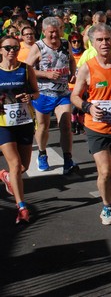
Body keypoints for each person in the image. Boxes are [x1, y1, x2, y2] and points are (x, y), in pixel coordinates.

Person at [71, 24, 111, 225]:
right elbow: (74, 96)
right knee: (105, 172)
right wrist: (87, 107)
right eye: (100, 40)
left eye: (107, 39)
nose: (105, 43)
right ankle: (107, 208)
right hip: (96, 127)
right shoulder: (87, 68)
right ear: (92, 43)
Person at [25, 17, 78, 174]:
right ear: (43, 32)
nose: (54, 35)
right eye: (51, 33)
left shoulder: (65, 43)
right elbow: (27, 69)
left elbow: (71, 60)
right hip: (43, 93)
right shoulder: (38, 47)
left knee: (66, 125)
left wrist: (72, 74)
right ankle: (42, 153)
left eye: (57, 31)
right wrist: (45, 74)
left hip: (62, 93)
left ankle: (67, 159)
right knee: (43, 126)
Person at [0, 35, 39, 224]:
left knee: (22, 167)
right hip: (3, 124)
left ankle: (6, 176)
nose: (11, 51)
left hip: (24, 122)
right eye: (7, 48)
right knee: (15, 164)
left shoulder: (25, 69)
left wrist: (30, 96)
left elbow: (37, 92)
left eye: (15, 48)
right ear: (0, 50)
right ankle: (22, 207)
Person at [68, 32, 86, 135]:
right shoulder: (68, 55)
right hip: (72, 85)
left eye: (78, 41)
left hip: (83, 84)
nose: (76, 44)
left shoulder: (84, 54)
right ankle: (73, 123)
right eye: (74, 42)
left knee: (82, 106)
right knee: (74, 107)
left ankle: (81, 123)